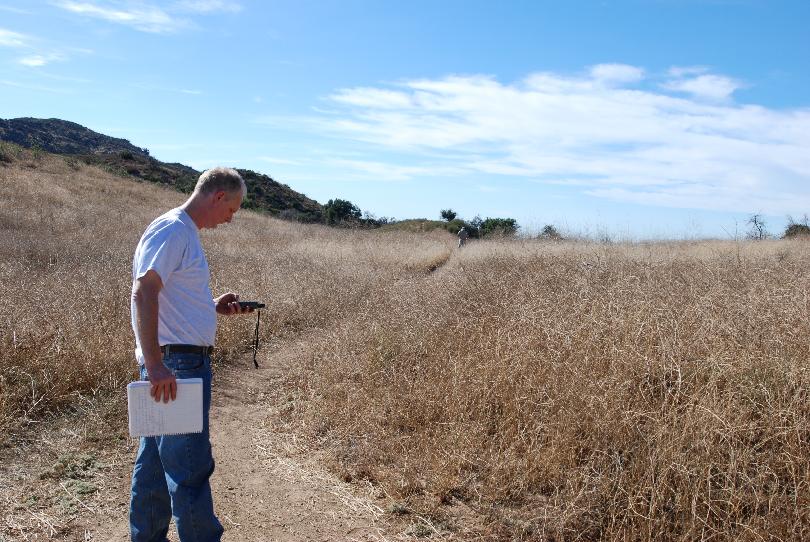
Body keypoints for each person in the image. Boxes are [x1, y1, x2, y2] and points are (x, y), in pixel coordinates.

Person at [129, 167, 254, 542]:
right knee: (190, 469)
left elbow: (166, 295)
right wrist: (155, 365)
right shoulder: (173, 230)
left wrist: (210, 306)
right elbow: (143, 292)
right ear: (218, 197)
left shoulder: (181, 232)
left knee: (153, 467)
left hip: (173, 363)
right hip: (177, 367)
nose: (230, 219)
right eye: (232, 209)